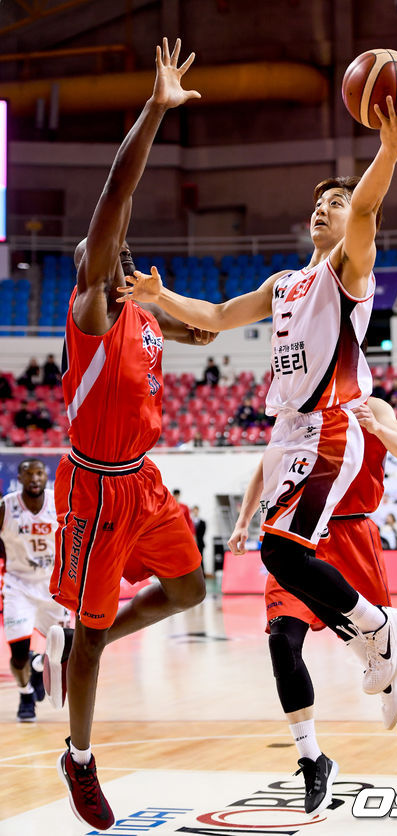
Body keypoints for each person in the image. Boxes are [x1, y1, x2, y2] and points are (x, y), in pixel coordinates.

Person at [119, 88, 397, 720]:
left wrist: (389, 147)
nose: (325, 209)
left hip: (329, 429)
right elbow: (221, 315)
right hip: (288, 435)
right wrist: (161, 296)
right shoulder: (284, 285)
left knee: (282, 552)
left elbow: (366, 209)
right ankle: (370, 634)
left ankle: (376, 632)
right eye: (319, 203)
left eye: (334, 204)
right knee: (283, 555)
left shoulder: (349, 271)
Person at [42, 39, 212, 832]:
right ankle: (79, 758)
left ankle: (97, 638)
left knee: (188, 589)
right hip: (93, 485)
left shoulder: (141, 312)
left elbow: (203, 341)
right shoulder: (90, 314)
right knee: (91, 626)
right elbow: (117, 195)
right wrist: (154, 108)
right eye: (89, 251)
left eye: (98, 252)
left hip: (144, 480)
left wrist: (183, 318)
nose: (92, 251)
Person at [228, 397, 397, 813]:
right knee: (281, 642)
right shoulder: (300, 408)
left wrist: (376, 429)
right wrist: (243, 519)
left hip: (352, 533)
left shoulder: (372, 406)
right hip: (300, 537)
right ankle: (312, 758)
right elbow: (267, 466)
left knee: (384, 652)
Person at [0, 459, 72, 722]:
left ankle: (38, 664)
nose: (34, 478)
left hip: (53, 587)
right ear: (19, 477)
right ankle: (25, 692)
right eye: (28, 473)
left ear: (46, 477)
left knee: (66, 649)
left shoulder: (59, 502)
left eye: (39, 473)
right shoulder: (6, 507)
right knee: (18, 654)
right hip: (18, 586)